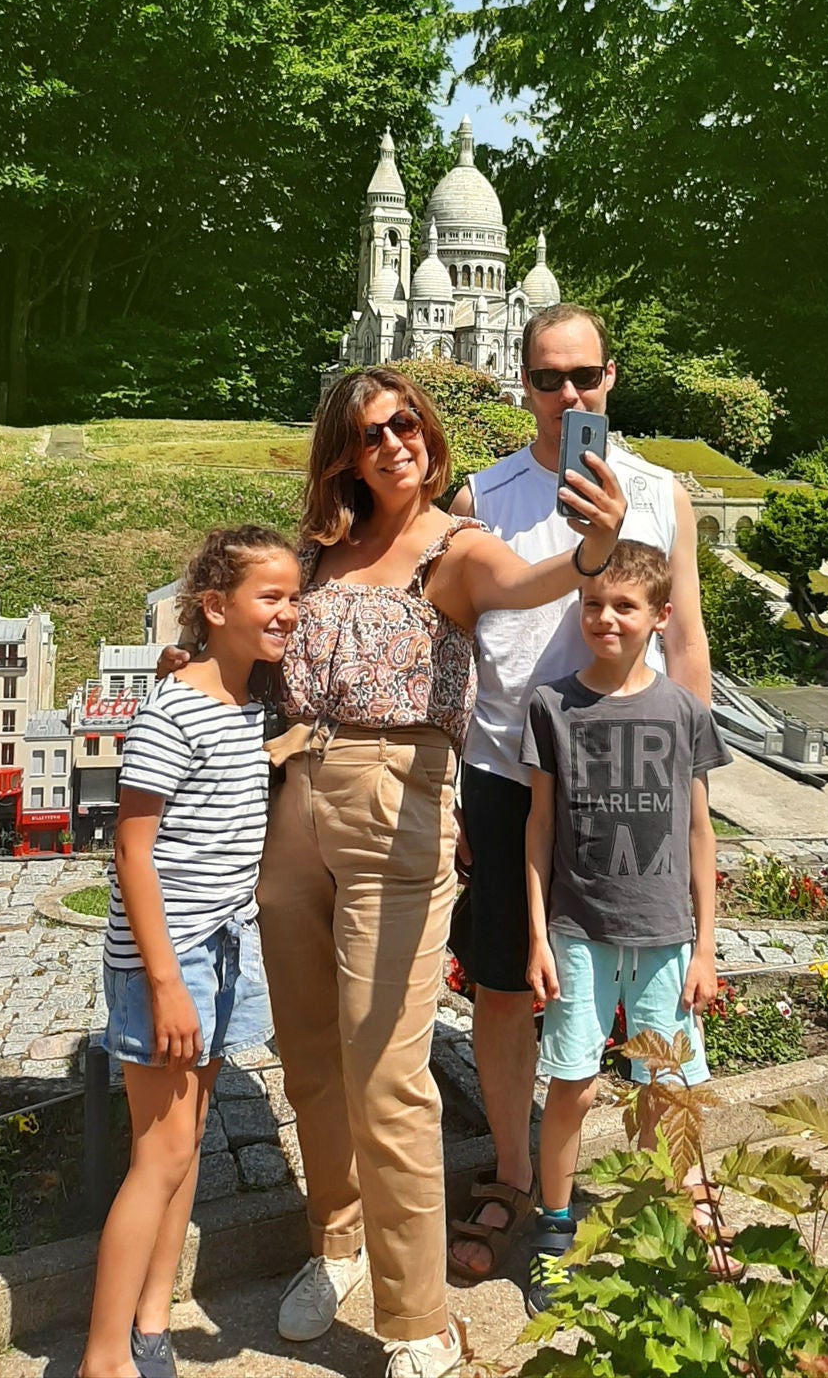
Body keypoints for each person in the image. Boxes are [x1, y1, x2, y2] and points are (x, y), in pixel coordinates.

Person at [257, 365, 625, 1378]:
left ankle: (419, 1316)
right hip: (295, 799)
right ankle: (334, 1242)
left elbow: (534, 580)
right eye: (374, 431)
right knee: (311, 1058)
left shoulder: (455, 549)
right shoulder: (320, 554)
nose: (396, 442)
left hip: (399, 802)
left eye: (408, 422)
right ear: (344, 452)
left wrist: (593, 545)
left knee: (387, 1072)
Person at [446, 302, 713, 1284]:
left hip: (632, 782)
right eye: (548, 378)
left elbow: (685, 639)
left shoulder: (658, 494)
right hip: (514, 773)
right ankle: (517, 1171)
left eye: (584, 376)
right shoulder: (484, 497)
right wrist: (455, 788)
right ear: (521, 383)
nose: (569, 395)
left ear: (611, 377)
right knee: (512, 985)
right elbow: (457, 646)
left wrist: (693, 781)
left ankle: (672, 1187)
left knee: (650, 979)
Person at [78, 526, 301, 1378]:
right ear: (215, 608)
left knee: (188, 1141)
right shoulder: (176, 711)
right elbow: (132, 850)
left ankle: (151, 1320)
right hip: (166, 959)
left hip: (224, 942)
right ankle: (104, 1357)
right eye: (269, 598)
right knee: (161, 1154)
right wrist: (166, 982)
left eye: (292, 597)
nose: (288, 613)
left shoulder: (248, 704)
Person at [520, 538, 727, 1315]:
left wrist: (706, 947)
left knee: (663, 1088)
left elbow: (702, 832)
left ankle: (664, 1217)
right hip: (577, 930)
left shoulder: (683, 711)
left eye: (625, 606)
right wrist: (538, 935)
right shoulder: (552, 707)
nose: (605, 618)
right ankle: (553, 1226)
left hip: (667, 935)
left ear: (659, 617)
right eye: (594, 604)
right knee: (571, 1082)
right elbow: (538, 831)